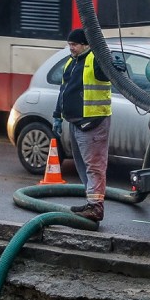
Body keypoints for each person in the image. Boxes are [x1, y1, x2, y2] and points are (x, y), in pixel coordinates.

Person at [53, 28, 113, 222]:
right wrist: (57, 116)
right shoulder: (71, 63)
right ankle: (91, 202)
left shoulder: (95, 60)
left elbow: (108, 74)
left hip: (93, 122)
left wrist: (114, 66)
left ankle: (96, 207)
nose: (71, 48)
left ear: (86, 45)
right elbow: (63, 91)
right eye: (69, 44)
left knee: (94, 166)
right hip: (76, 122)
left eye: (75, 45)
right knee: (82, 165)